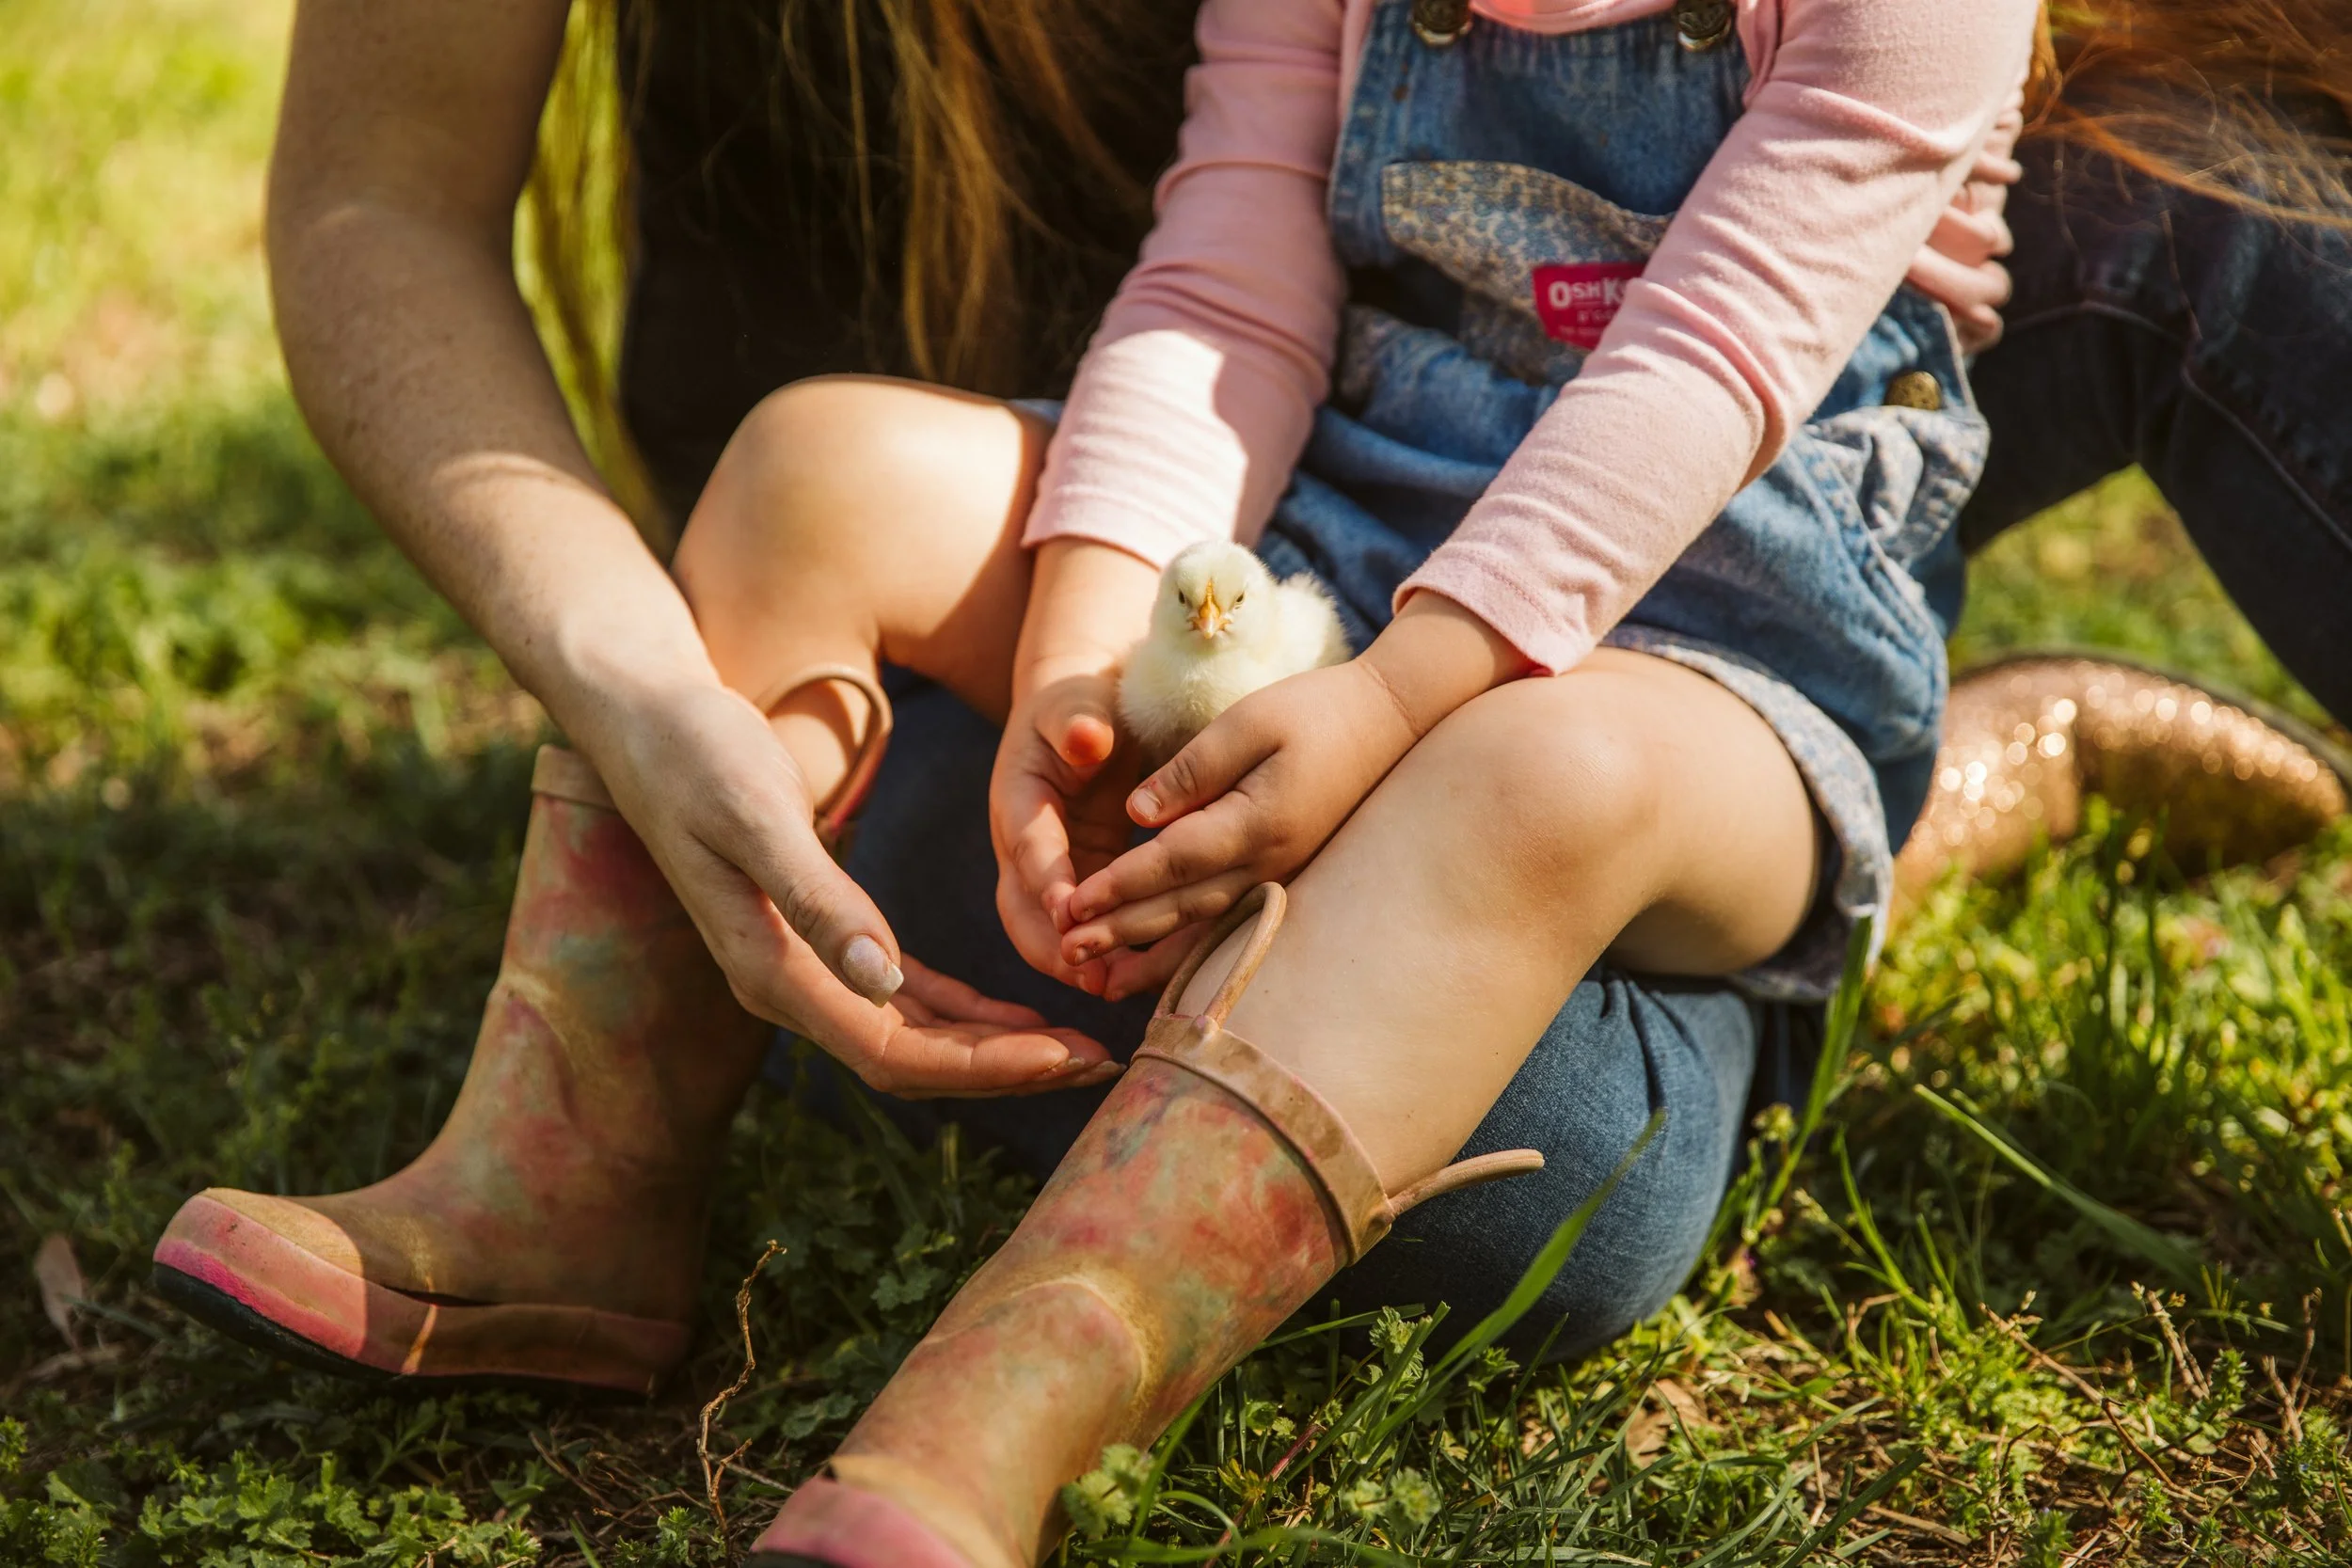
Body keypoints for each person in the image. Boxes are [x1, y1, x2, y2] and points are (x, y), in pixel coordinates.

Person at [148, 0, 2346, 1540]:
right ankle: (562, 1186)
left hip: (1700, 630)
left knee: (1528, 787)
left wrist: (1400, 695)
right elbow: (1227, 267)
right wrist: (1090, 631)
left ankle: (994, 1417)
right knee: (809, 470)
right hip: (1338, 523)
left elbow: (1713, 358)